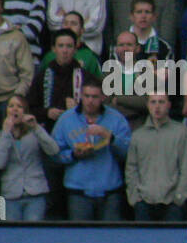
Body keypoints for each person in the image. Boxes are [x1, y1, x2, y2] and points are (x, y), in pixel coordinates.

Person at [52, 79, 132, 221]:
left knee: (110, 239)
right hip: (78, 192)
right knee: (80, 240)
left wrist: (110, 137)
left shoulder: (116, 119)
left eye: (94, 97)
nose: (90, 101)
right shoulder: (66, 119)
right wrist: (73, 155)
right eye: (86, 96)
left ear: (103, 97)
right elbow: (54, 154)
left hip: (110, 191)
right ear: (81, 96)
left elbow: (129, 153)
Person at [124, 91, 187, 222]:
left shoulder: (181, 132)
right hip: (143, 202)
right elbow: (131, 169)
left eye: (161, 102)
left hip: (172, 203)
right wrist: (135, 198)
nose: (157, 106)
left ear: (168, 105)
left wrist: (179, 197)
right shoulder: (138, 135)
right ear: (147, 105)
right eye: (153, 102)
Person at [0, 94, 59, 221]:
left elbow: (53, 150)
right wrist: (7, 133)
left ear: (25, 111)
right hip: (11, 194)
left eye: (19, 106)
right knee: (12, 236)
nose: (15, 109)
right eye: (11, 106)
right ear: (6, 111)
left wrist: (37, 127)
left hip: (35, 192)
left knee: (34, 233)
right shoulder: (1, 136)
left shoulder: (34, 132)